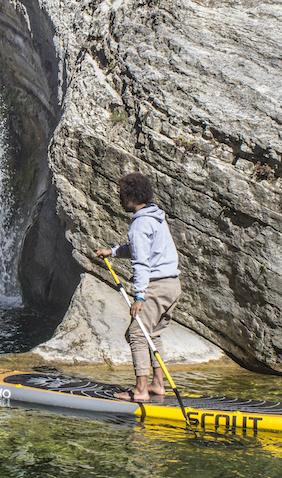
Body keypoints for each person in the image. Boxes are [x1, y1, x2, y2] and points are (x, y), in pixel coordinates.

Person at [96, 172, 181, 402]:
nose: (120, 198)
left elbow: (142, 263)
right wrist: (112, 252)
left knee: (137, 333)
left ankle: (141, 390)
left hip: (156, 287)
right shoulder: (156, 218)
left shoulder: (140, 224)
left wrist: (140, 297)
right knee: (154, 334)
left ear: (132, 196)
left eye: (122, 194)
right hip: (173, 285)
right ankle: (158, 384)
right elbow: (140, 249)